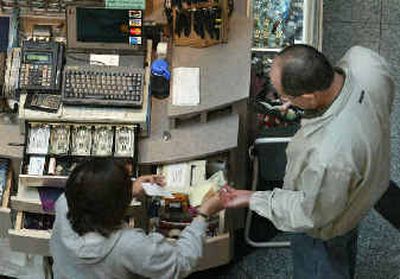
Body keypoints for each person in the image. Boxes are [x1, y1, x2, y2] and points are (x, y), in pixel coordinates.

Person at [220, 45, 395, 279]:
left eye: (285, 96)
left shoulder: (329, 156)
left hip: (327, 224)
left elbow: (311, 214)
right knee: (345, 247)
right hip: (364, 184)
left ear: (309, 97)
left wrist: (253, 198)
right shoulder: (363, 60)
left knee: (323, 263)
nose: (282, 101)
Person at [50, 158, 224, 279]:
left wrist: (129, 189)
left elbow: (93, 201)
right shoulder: (129, 246)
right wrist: (203, 214)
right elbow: (181, 263)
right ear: (118, 207)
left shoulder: (65, 202)